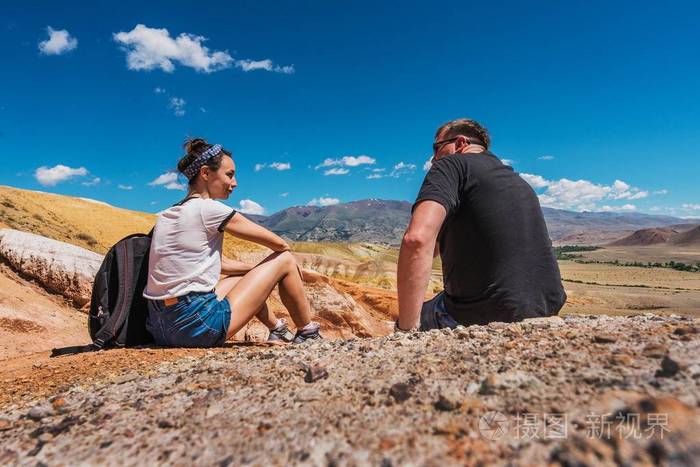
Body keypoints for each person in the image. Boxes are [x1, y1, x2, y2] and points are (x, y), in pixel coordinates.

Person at [143, 138, 321, 347]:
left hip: (160, 325)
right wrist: (283, 271)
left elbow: (221, 264)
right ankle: (308, 333)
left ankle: (278, 330)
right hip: (196, 326)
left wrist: (256, 272)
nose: (234, 183)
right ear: (206, 173)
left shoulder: (167, 214)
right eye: (230, 175)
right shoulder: (209, 209)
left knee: (241, 276)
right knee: (286, 260)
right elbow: (280, 245)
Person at [396, 118, 566, 332]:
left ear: (459, 143)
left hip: (486, 313)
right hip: (545, 307)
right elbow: (437, 245)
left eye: (437, 148)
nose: (433, 159)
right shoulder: (518, 182)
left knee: (412, 315)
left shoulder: (450, 165)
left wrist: (405, 332)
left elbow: (417, 240)